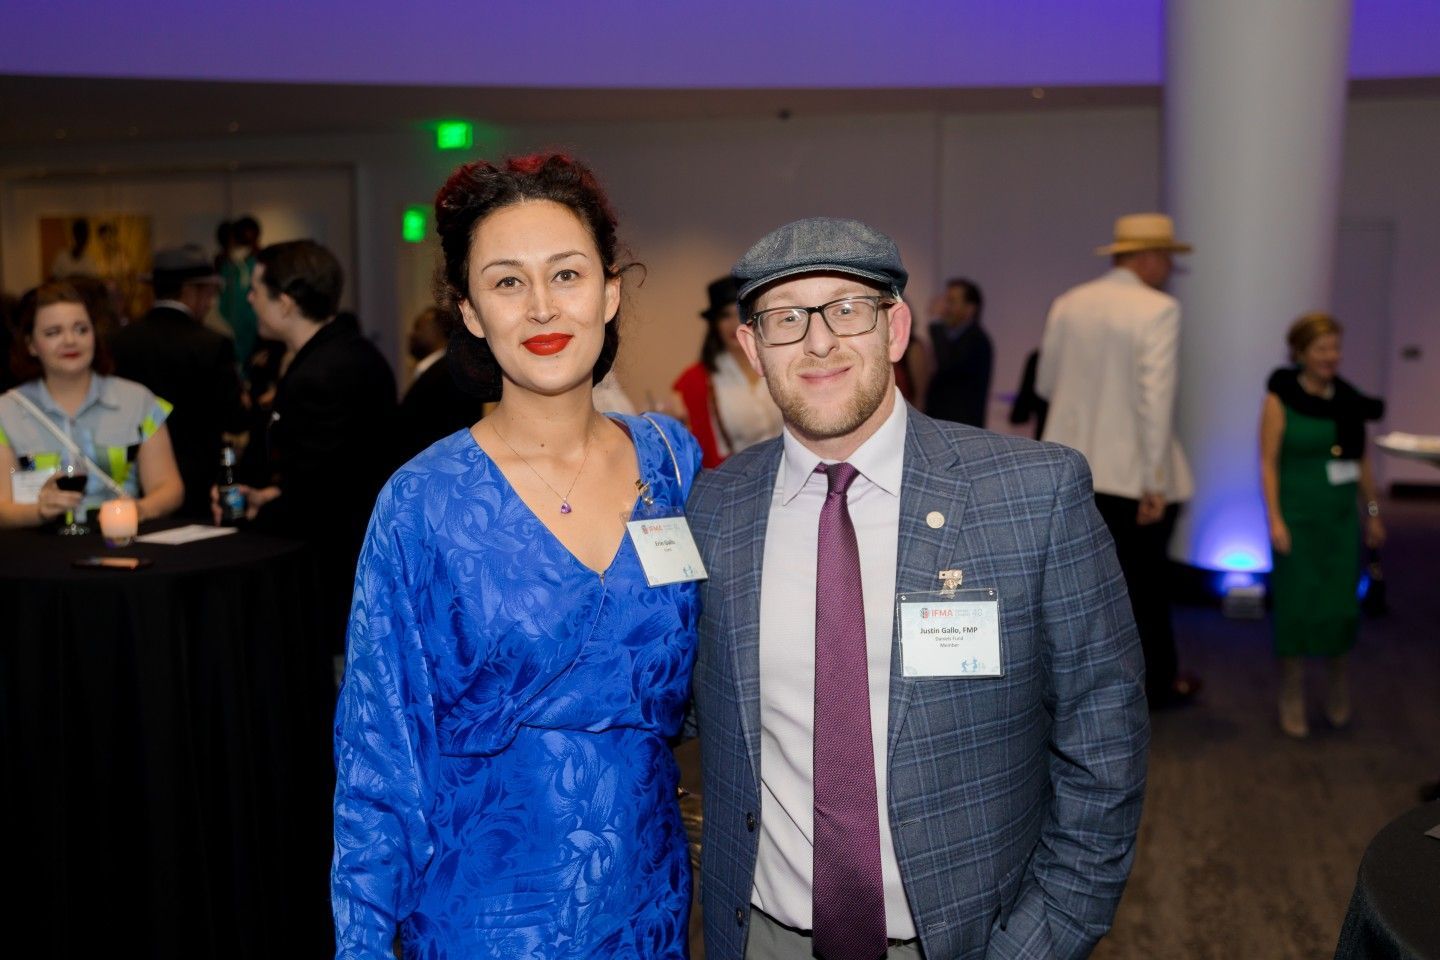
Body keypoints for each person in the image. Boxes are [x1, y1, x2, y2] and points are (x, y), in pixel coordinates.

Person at [688, 217, 1148, 960]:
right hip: (764, 936)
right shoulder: (714, 507)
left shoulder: (1033, 495)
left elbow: (1106, 741)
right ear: (751, 347)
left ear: (896, 329)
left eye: (848, 310)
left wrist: (1041, 941)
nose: (818, 342)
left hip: (969, 940)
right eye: (785, 318)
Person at [332, 153, 703, 959]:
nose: (542, 306)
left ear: (609, 291)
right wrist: (361, 943)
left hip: (649, 909)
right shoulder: (422, 503)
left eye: (566, 274)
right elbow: (378, 755)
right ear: (469, 312)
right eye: (507, 282)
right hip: (485, 918)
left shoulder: (672, 462)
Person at [1036, 212, 1200, 708]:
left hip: (1069, 473)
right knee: (1145, 589)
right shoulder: (1159, 310)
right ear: (1148, 258)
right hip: (1131, 478)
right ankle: (1155, 686)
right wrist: (1155, 481)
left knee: (1076, 591)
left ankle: (1078, 691)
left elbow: (1046, 384)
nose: (1168, 268)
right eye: (1167, 258)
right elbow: (1155, 401)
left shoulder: (1069, 303)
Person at [216, 241, 397, 645]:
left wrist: (257, 510)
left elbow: (321, 496)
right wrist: (268, 495)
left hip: (334, 572)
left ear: (284, 303)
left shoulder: (322, 373)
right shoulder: (345, 351)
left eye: (256, 291)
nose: (249, 299)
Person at [1260, 313, 1385, 738]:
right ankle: (1291, 690)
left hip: (1339, 519)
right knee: (1297, 604)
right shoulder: (1279, 398)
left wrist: (1372, 513)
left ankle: (1337, 682)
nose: (1332, 356)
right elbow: (1268, 463)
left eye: (1336, 347)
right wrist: (1274, 518)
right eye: (1322, 348)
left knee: (1339, 603)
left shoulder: (1348, 399)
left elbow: (1360, 461)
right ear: (1300, 353)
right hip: (1297, 517)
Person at [0, 281, 183, 528]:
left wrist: (139, 509)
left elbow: (169, 487)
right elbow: (2, 506)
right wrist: (39, 511)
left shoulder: (138, 401)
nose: (70, 340)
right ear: (31, 344)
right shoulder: (6, 411)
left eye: (81, 329)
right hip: (40, 546)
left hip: (121, 538)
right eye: (53, 332)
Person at [110, 244, 246, 519]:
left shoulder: (119, 341)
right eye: (209, 293)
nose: (210, 303)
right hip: (198, 482)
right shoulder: (212, 344)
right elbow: (234, 418)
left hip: (136, 479)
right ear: (190, 291)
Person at [672, 275, 782, 467]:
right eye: (725, 316)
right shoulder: (696, 380)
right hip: (740, 478)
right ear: (715, 324)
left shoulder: (781, 360)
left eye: (740, 313)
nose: (734, 323)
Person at [395, 304, 487, 462]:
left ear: (439, 330)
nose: (412, 334)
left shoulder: (452, 373)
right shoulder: (439, 370)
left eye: (419, 327)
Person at [923, 277, 992, 428]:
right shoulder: (954, 338)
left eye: (952, 302)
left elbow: (947, 363)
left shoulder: (976, 340)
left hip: (960, 429)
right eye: (946, 301)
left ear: (970, 309)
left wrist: (936, 321)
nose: (945, 308)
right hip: (945, 425)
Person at [219, 215, 262, 366]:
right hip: (231, 334)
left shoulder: (257, 266)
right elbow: (224, 305)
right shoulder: (228, 267)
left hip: (254, 337)